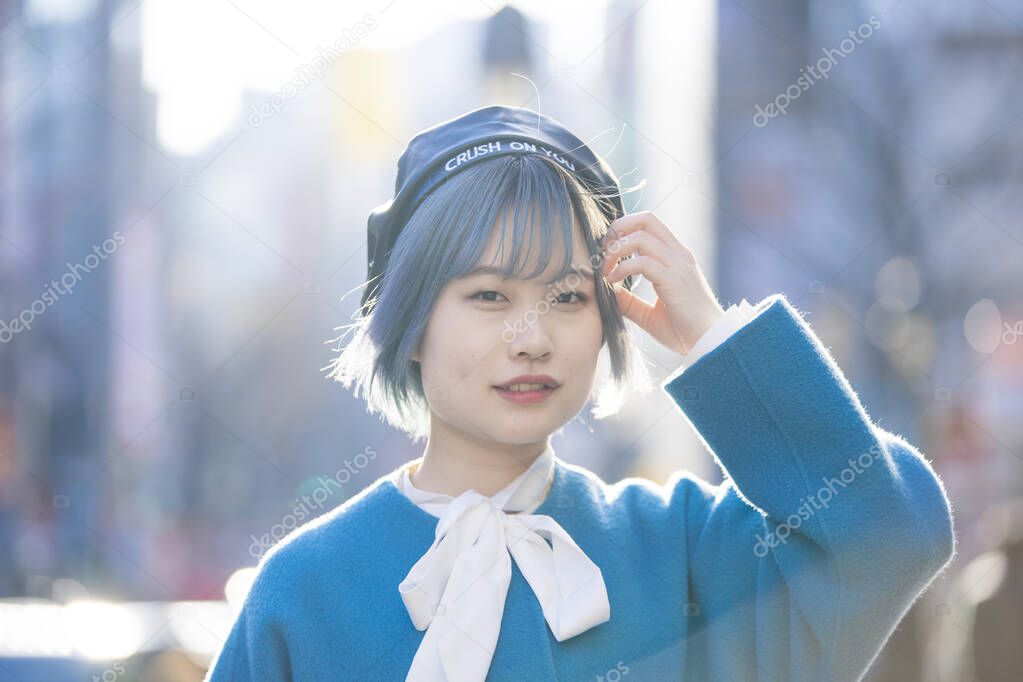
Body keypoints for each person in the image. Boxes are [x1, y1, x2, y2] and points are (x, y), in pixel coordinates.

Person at [204, 104, 956, 681]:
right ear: (410, 322)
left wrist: (713, 338)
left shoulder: (685, 551)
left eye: (567, 297)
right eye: (490, 296)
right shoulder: (303, 592)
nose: (531, 337)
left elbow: (887, 534)